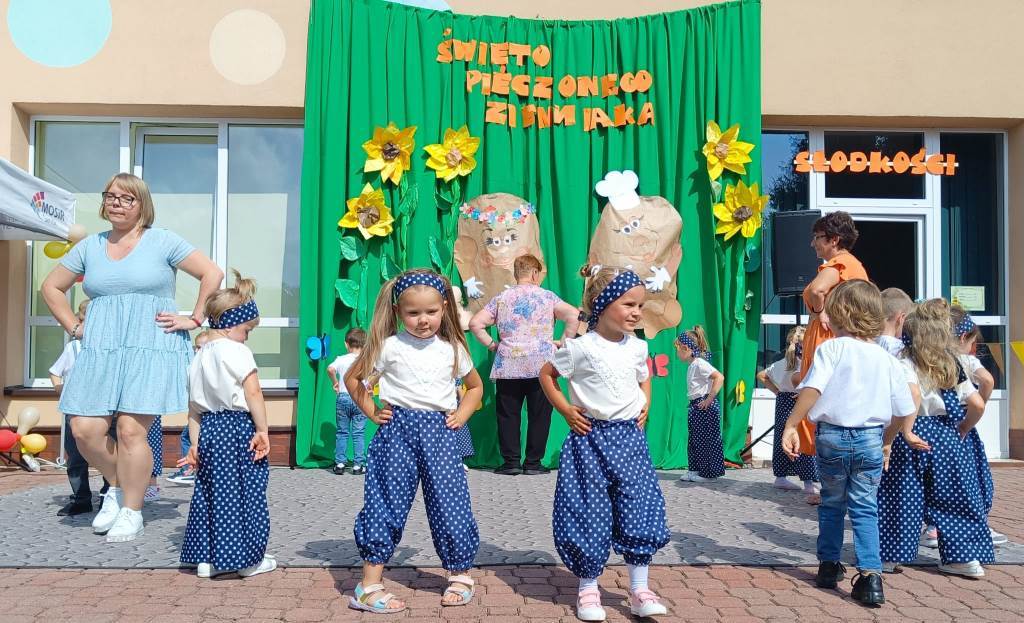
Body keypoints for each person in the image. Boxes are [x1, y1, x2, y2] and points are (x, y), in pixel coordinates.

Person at [40, 172, 223, 543]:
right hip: (101, 348)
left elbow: (212, 273)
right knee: (84, 430)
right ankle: (119, 486)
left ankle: (132, 511)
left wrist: (195, 318)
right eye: (111, 196)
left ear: (142, 204)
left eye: (127, 198)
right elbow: (51, 287)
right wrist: (75, 327)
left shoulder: (162, 240)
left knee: (129, 430)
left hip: (150, 345)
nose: (117, 203)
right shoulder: (90, 246)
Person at [344, 269, 484, 613]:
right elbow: (353, 379)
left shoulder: (453, 349)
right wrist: (373, 412)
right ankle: (369, 585)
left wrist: (462, 414)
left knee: (451, 504)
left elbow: (475, 387)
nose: (423, 320)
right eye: (413, 312)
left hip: (441, 435)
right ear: (397, 312)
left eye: (431, 311)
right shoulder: (388, 346)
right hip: (396, 434)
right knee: (384, 503)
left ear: (444, 309)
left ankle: (460, 575)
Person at [539, 266, 670, 621]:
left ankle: (640, 589)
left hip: (630, 440)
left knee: (638, 507)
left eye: (640, 305)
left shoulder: (638, 347)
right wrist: (566, 409)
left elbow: (644, 377)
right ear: (601, 302)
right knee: (588, 511)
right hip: (590, 439)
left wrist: (646, 404)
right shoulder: (580, 348)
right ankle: (588, 589)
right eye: (629, 304)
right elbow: (547, 375)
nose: (636, 312)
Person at [782, 280, 916, 607]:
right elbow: (904, 409)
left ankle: (829, 566)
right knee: (865, 507)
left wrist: (792, 423)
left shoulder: (831, 349)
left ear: (840, 313)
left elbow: (812, 389)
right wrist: (886, 441)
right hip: (870, 438)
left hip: (832, 436)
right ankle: (871, 578)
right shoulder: (887, 358)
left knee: (832, 503)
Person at [877, 299, 992, 579]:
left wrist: (895, 437)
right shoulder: (952, 364)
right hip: (947, 433)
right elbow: (977, 403)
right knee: (955, 495)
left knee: (902, 495)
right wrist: (963, 427)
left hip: (911, 433)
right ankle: (963, 558)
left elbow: (911, 397)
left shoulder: (904, 362)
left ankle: (890, 555)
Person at [179, 270, 275, 578]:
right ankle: (246, 560)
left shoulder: (198, 357)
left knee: (211, 492)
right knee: (245, 492)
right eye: (247, 330)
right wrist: (262, 430)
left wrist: (194, 446)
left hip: (209, 430)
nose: (247, 336)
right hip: (237, 428)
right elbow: (253, 392)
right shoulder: (237, 351)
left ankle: (207, 559)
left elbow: (194, 409)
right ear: (231, 324)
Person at [469, 254, 580, 475]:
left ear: (516, 273)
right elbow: (574, 315)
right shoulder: (547, 297)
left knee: (508, 414)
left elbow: (475, 323)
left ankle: (511, 463)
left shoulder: (502, 298)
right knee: (540, 414)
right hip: (542, 364)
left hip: (508, 363)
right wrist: (563, 343)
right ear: (535, 273)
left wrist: (493, 345)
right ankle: (533, 463)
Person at [794, 211, 869, 458]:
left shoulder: (841, 264)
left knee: (821, 399)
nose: (813, 243)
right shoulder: (851, 265)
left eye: (817, 237)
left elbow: (817, 289)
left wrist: (820, 311)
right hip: (834, 336)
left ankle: (825, 471)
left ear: (834, 239)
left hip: (828, 337)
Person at [950, 305, 1005, 546]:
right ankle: (976, 523)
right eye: (973, 342)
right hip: (962, 422)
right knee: (969, 477)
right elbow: (988, 380)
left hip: (935, 423)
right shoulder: (966, 360)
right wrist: (979, 402)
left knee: (941, 478)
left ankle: (933, 528)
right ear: (964, 337)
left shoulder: (931, 358)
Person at [757, 325, 820, 502]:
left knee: (781, 439)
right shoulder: (802, 363)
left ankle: (781, 477)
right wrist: (802, 392)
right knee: (803, 439)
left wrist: (777, 391)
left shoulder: (781, 363)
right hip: (798, 401)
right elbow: (800, 381)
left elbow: (761, 375)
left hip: (783, 401)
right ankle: (808, 482)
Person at [49, 300, 95, 516]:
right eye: (84, 320)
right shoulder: (74, 347)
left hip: (103, 407)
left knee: (107, 451)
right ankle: (81, 498)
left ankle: (109, 495)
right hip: (76, 406)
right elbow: (55, 372)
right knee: (76, 456)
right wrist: (60, 389)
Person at [676, 325, 725, 483]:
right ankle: (695, 469)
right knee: (695, 440)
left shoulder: (699, 363)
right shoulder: (693, 365)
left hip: (704, 406)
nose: (677, 352)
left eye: (678, 348)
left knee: (706, 441)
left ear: (686, 348)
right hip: (696, 406)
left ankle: (708, 474)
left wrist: (709, 399)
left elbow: (719, 377)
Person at [166, 331, 213, 485]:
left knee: (189, 438)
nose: (197, 351)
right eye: (196, 347)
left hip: (205, 413)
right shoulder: (197, 366)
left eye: (201, 347)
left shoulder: (205, 367)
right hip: (201, 413)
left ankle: (189, 470)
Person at [327, 328, 368, 475]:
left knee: (342, 432)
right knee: (359, 433)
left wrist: (335, 382)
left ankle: (340, 464)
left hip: (343, 397)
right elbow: (376, 373)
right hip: (360, 398)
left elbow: (330, 369)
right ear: (365, 344)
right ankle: (358, 465)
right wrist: (369, 386)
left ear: (346, 344)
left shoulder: (341, 359)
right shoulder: (366, 360)